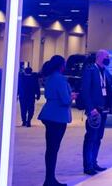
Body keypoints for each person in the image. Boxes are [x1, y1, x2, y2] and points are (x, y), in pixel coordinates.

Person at [38, 55, 72, 186]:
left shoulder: (50, 77)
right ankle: (50, 180)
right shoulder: (60, 79)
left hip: (48, 114)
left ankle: (50, 178)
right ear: (61, 65)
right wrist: (71, 96)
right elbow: (65, 100)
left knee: (50, 148)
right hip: (58, 116)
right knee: (53, 149)